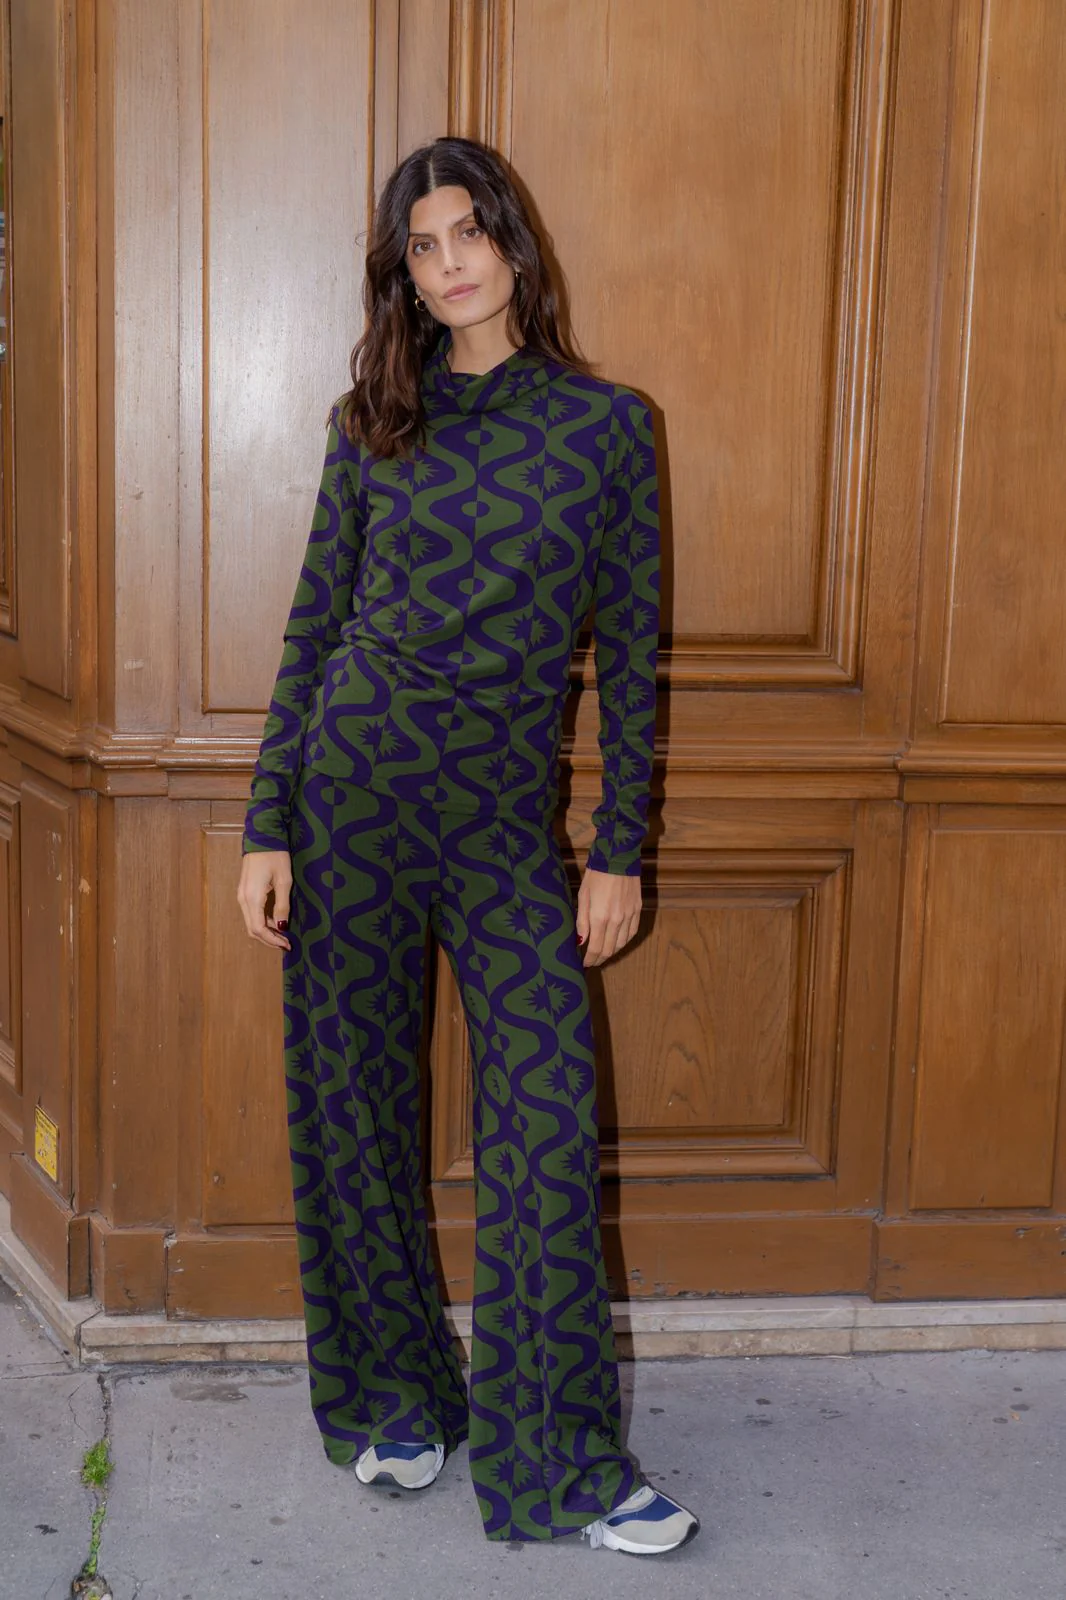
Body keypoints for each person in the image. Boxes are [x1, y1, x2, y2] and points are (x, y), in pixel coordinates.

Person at [236, 135, 698, 1557]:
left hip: (502, 830)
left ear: (512, 242)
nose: (448, 265)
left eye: (468, 234)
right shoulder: (370, 422)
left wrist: (616, 848)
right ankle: (394, 1397)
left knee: (542, 1131)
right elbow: (316, 626)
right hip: (352, 800)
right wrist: (268, 820)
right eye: (421, 247)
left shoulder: (608, 428)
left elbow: (633, 658)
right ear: (402, 273)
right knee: (355, 1114)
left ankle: (561, 1461)